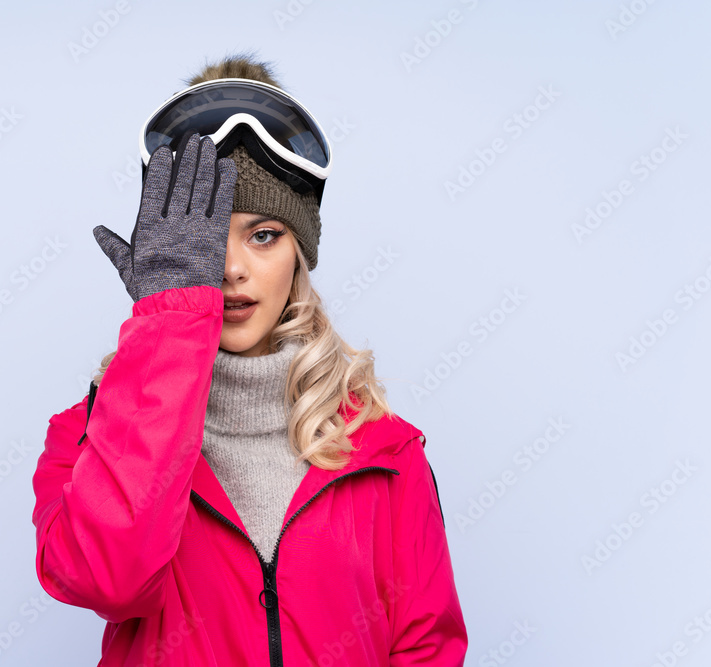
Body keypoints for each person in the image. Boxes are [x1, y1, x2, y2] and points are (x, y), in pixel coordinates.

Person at [31, 53, 468, 666]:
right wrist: (169, 322)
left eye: (263, 235)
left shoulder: (386, 453)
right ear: (162, 251)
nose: (232, 268)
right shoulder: (87, 437)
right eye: (204, 241)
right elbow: (106, 579)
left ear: (300, 251)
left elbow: (426, 648)